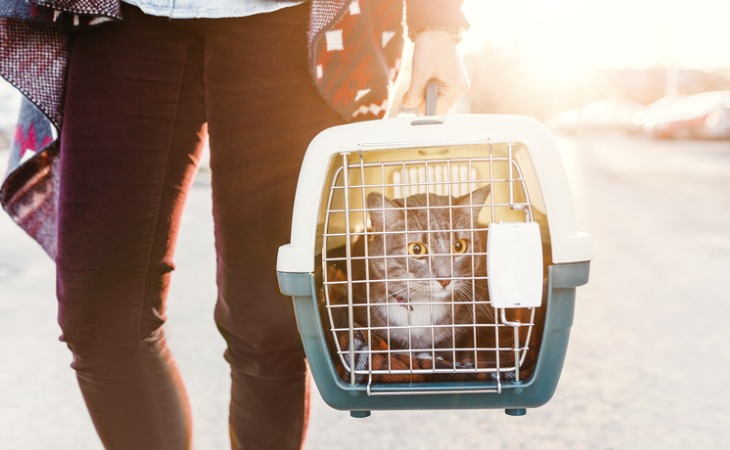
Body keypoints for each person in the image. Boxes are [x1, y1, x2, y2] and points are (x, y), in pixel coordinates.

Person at [0, 0, 469, 448]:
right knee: (101, 321)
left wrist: (436, 23)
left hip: (287, 23)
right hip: (123, 20)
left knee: (270, 322)